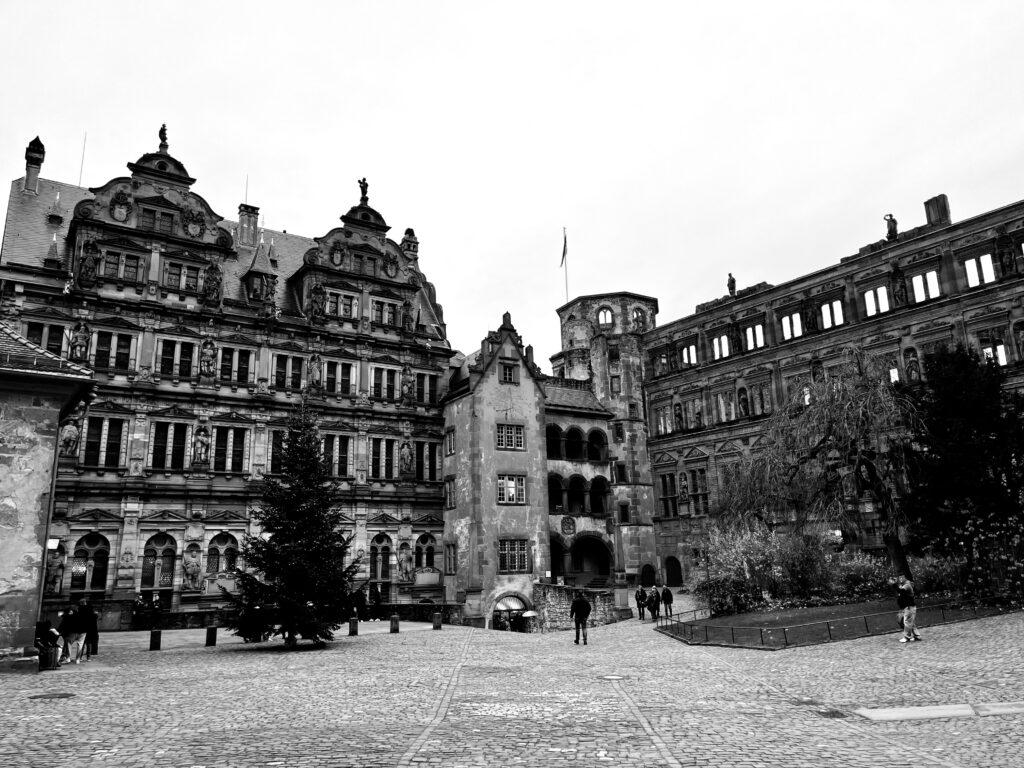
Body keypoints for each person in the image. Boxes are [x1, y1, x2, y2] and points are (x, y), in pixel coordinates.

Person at [897, 575, 922, 643]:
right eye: (900, 577)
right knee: (910, 622)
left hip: (909, 607)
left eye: (902, 577)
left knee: (907, 622)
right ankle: (917, 636)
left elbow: (901, 592)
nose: (901, 579)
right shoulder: (903, 585)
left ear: (906, 578)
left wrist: (893, 585)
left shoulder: (907, 585)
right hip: (907, 607)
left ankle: (906, 637)